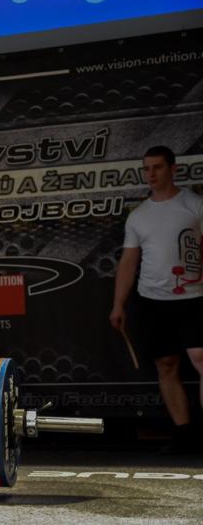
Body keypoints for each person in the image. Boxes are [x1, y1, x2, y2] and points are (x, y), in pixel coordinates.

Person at [109, 145, 203, 454]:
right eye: (147, 168)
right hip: (153, 301)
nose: (151, 174)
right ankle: (184, 435)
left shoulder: (194, 205)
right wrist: (118, 304)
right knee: (166, 364)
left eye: (158, 167)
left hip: (195, 296)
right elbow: (128, 263)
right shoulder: (139, 216)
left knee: (201, 357)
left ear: (173, 169)